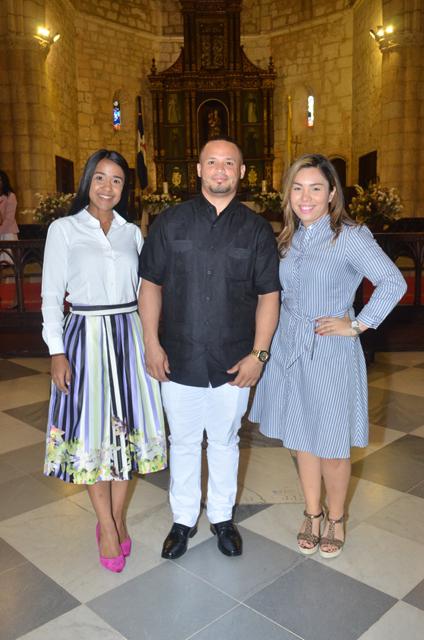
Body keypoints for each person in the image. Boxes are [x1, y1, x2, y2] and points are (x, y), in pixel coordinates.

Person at [250, 154, 407, 558]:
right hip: (290, 347)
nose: (305, 197)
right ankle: (312, 513)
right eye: (298, 188)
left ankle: (336, 518)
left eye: (315, 188)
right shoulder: (289, 237)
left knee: (332, 445)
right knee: (302, 438)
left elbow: (392, 282)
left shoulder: (350, 236)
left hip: (331, 351)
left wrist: (356, 324)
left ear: (332, 193)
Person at [138, 137, 280, 559]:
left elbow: (268, 295)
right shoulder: (169, 222)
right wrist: (151, 342)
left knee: (224, 441)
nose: (220, 170)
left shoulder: (256, 230)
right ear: (198, 169)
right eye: (212, 162)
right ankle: (182, 520)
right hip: (177, 355)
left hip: (233, 361)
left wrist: (259, 355)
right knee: (181, 442)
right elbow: (150, 286)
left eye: (229, 163)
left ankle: (221, 518)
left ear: (241, 172)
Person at [41, 149, 167, 573]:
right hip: (85, 337)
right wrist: (57, 351)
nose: (108, 187)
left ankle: (116, 516)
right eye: (100, 178)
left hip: (128, 337)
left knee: (126, 437)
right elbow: (50, 296)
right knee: (95, 436)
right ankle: (108, 526)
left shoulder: (133, 233)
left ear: (124, 187)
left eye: (116, 180)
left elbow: (148, 289)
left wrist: (153, 341)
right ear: (87, 182)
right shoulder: (64, 230)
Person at [0, 170, 19, 265]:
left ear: (4, 181)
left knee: (7, 263)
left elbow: (9, 218)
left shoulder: (10, 196)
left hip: (7, 233)